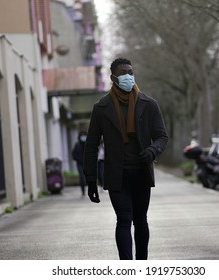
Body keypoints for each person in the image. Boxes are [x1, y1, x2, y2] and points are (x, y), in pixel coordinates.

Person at [83, 57, 168, 260]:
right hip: (116, 175)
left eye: (131, 72)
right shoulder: (101, 108)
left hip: (141, 171)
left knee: (140, 220)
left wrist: (152, 150)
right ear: (113, 77)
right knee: (123, 219)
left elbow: (161, 137)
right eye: (123, 73)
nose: (129, 76)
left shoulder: (148, 104)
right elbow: (91, 146)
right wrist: (91, 180)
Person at [72, 131, 87, 196]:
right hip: (80, 164)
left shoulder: (87, 144)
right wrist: (79, 159)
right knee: (82, 177)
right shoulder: (77, 145)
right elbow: (74, 154)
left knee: (87, 177)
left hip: (87, 164)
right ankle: (83, 191)